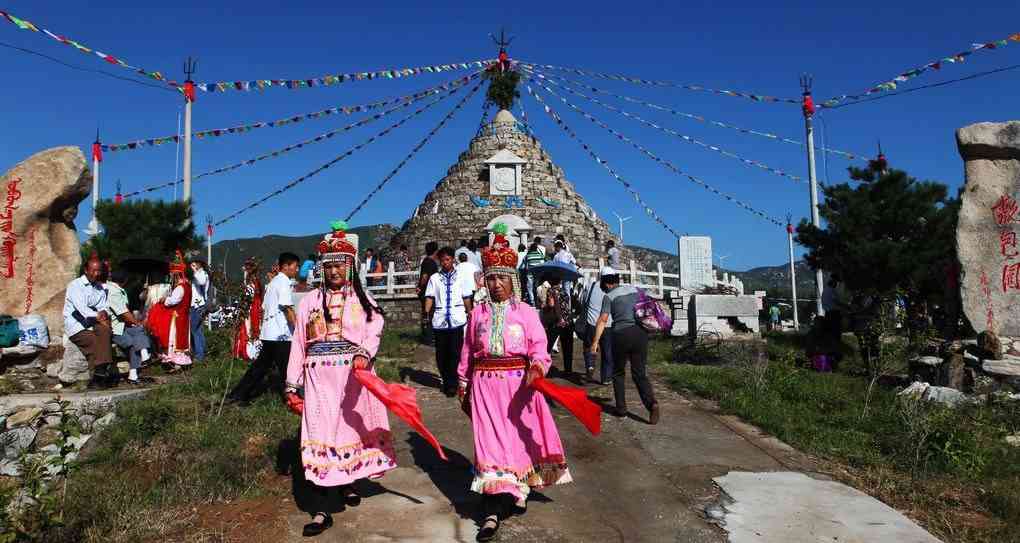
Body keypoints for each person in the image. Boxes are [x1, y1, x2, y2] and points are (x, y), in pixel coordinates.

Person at [458, 223, 572, 542]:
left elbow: (539, 346)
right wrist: (462, 382)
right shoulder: (477, 314)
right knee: (489, 444)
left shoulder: (526, 313)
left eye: (502, 278)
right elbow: (468, 350)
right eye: (491, 277)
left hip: (518, 386)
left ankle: (517, 487)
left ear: (513, 280)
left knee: (518, 442)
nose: (496, 284)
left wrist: (537, 366)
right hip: (484, 386)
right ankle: (493, 509)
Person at [284, 221, 395, 537]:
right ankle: (321, 510)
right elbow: (298, 345)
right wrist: (292, 384)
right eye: (329, 265)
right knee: (319, 436)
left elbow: (375, 328)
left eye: (340, 265)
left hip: (351, 380)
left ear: (350, 267)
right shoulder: (309, 303)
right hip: (319, 380)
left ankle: (348, 480)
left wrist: (365, 352)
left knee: (349, 433)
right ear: (322, 267)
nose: (334, 271)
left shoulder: (362, 300)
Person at [227, 252, 300, 404]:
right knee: (288, 369)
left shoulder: (273, 283)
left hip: (269, 333)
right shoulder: (283, 282)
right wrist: (298, 328)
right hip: (281, 335)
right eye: (295, 266)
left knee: (260, 367)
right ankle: (295, 397)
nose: (297, 269)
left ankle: (238, 395)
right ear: (286, 266)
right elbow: (287, 308)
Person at [591, 274, 660, 424]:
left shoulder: (609, 297)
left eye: (604, 288)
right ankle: (652, 404)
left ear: (608, 285)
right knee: (639, 373)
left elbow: (603, 320)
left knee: (618, 372)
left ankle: (621, 410)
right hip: (640, 333)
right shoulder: (635, 289)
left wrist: (595, 342)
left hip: (621, 334)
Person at [425, 247, 475, 396]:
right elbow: (430, 297)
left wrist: (470, 312)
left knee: (455, 352)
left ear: (453, 259)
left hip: (457, 318)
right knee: (441, 354)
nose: (445, 263)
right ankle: (446, 379)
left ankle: (452, 383)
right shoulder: (434, 278)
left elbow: (466, 296)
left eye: (448, 259)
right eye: (442, 260)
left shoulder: (461, 277)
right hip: (440, 320)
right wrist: (426, 314)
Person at [63, 254, 113, 389]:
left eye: (99, 271)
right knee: (95, 342)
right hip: (77, 325)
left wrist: (104, 314)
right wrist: (99, 316)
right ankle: (100, 374)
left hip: (94, 322)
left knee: (105, 330)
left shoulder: (99, 288)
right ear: (86, 270)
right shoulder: (76, 285)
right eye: (93, 270)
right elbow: (82, 310)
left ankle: (99, 374)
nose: (96, 274)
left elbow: (104, 306)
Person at [146, 251, 192, 369]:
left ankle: (176, 363)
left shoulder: (180, 288)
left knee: (175, 338)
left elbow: (173, 301)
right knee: (182, 338)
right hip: (184, 315)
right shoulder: (188, 286)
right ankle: (180, 361)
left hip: (177, 316)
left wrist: (164, 300)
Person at [107, 268, 152, 385]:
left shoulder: (119, 290)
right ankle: (133, 373)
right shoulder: (112, 291)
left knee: (139, 330)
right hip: (115, 329)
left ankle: (144, 353)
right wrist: (136, 322)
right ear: (124, 280)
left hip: (123, 326)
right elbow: (123, 312)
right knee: (133, 342)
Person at [581, 267, 616, 384]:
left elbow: (583, 300)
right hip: (607, 324)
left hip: (591, 323)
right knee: (607, 351)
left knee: (589, 346)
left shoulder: (592, 285)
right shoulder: (614, 289)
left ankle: (590, 366)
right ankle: (606, 377)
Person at [542, 276, 575, 377]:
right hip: (568, 321)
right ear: (560, 281)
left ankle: (543, 367)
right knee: (567, 347)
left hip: (556, 322)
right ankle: (568, 370)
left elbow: (551, 305)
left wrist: (545, 306)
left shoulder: (550, 291)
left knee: (547, 346)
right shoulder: (564, 291)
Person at [232, 257, 264, 362]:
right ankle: (255, 352)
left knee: (248, 328)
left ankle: (249, 353)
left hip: (250, 309)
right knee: (255, 329)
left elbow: (248, 298)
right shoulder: (257, 282)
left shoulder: (251, 284)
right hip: (256, 308)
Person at [417, 242, 440, 345]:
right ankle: (428, 337)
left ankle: (429, 336)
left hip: (429, 292)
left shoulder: (427, 261)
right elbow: (425, 277)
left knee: (429, 314)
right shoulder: (429, 262)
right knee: (429, 314)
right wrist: (420, 287)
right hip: (428, 292)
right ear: (435, 251)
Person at [189, 260, 210, 362]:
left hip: (198, 305)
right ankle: (202, 352)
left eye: (194, 263)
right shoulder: (199, 273)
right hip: (198, 305)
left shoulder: (202, 273)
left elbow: (201, 282)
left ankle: (199, 355)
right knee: (198, 330)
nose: (192, 265)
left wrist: (195, 271)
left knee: (194, 330)